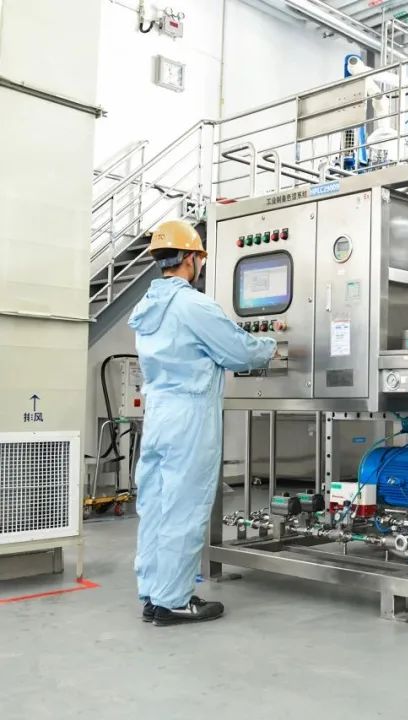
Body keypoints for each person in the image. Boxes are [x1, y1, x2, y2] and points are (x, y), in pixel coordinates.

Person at [129, 220, 277, 626]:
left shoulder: (147, 307)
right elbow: (240, 351)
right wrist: (272, 346)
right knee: (185, 506)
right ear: (192, 258)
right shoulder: (193, 305)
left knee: (156, 506)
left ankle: (153, 593)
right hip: (189, 417)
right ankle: (173, 600)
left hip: (158, 415)